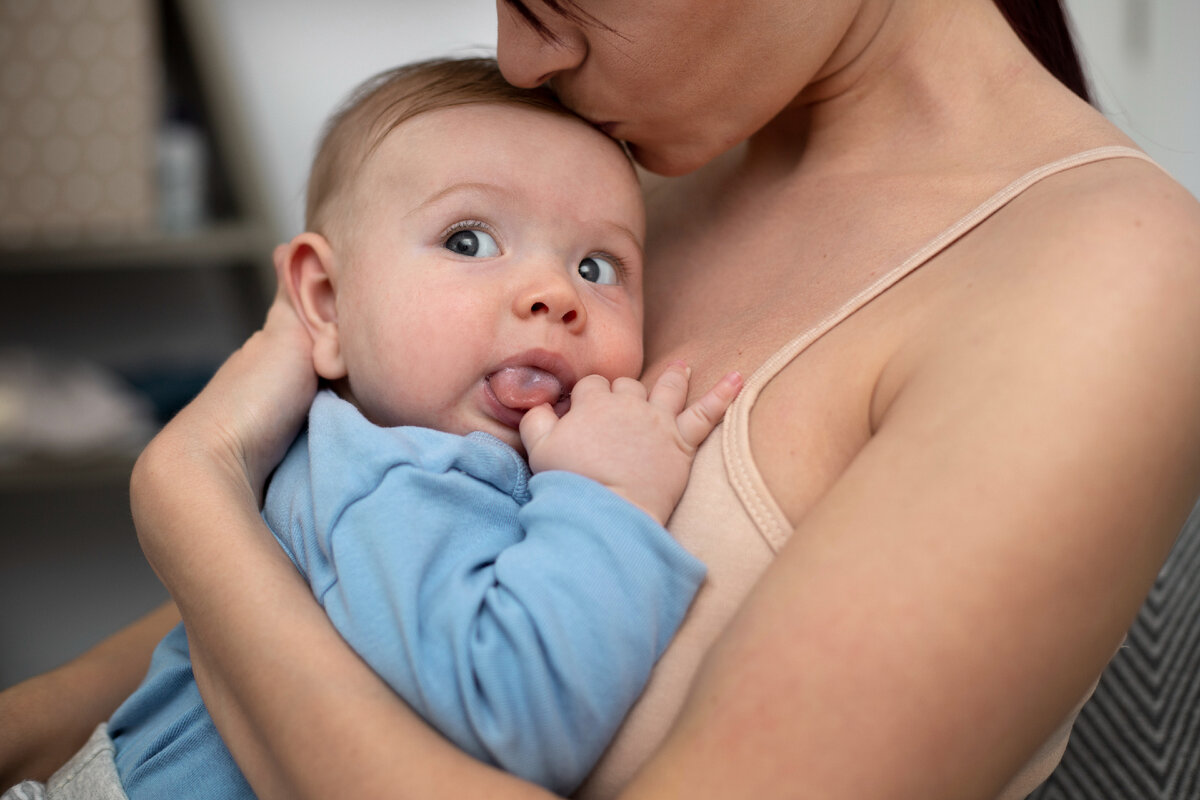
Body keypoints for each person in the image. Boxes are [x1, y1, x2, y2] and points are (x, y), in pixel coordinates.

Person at [4, 0, 1200, 797]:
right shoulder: (610, 171)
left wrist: (185, 495)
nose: (523, 59)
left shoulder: (1106, 277)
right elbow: (341, 555)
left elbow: (241, 560)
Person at [0, 58, 740, 800]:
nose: (555, 294)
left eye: (597, 265)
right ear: (325, 302)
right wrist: (610, 494)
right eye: (468, 241)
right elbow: (507, 724)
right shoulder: (395, 479)